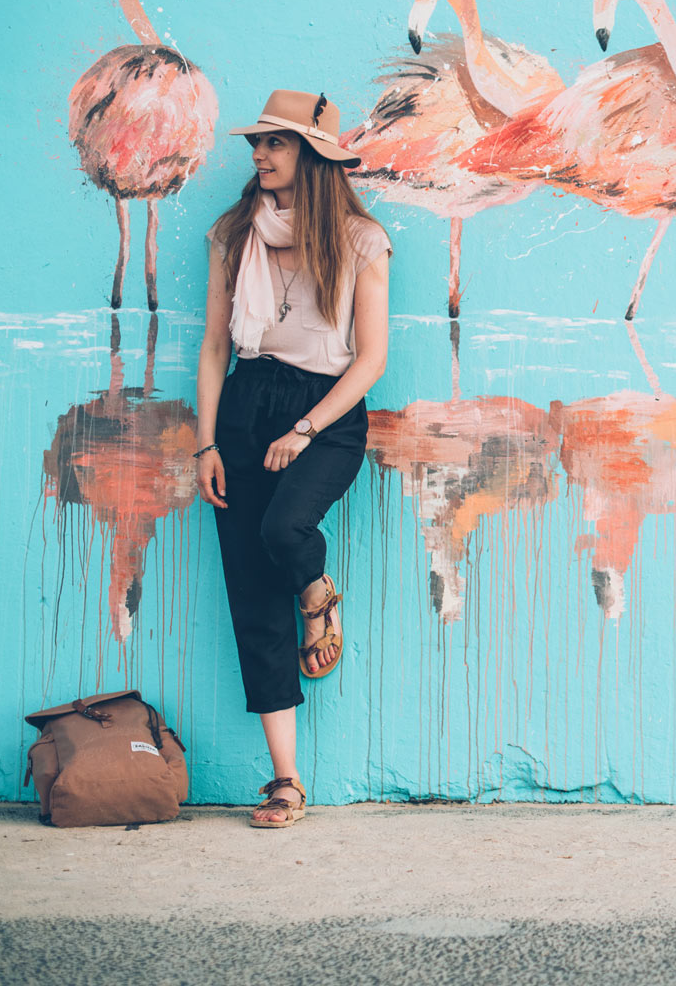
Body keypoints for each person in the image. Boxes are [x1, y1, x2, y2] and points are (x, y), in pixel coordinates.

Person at [192, 89, 392, 829]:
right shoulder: (233, 232)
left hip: (327, 414)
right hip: (246, 405)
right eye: (257, 144)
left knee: (283, 535)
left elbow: (369, 360)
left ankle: (317, 594)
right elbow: (215, 346)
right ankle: (286, 781)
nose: (259, 155)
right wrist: (207, 441)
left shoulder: (362, 240)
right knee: (250, 594)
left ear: (312, 157)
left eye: (275, 144)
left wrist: (305, 428)